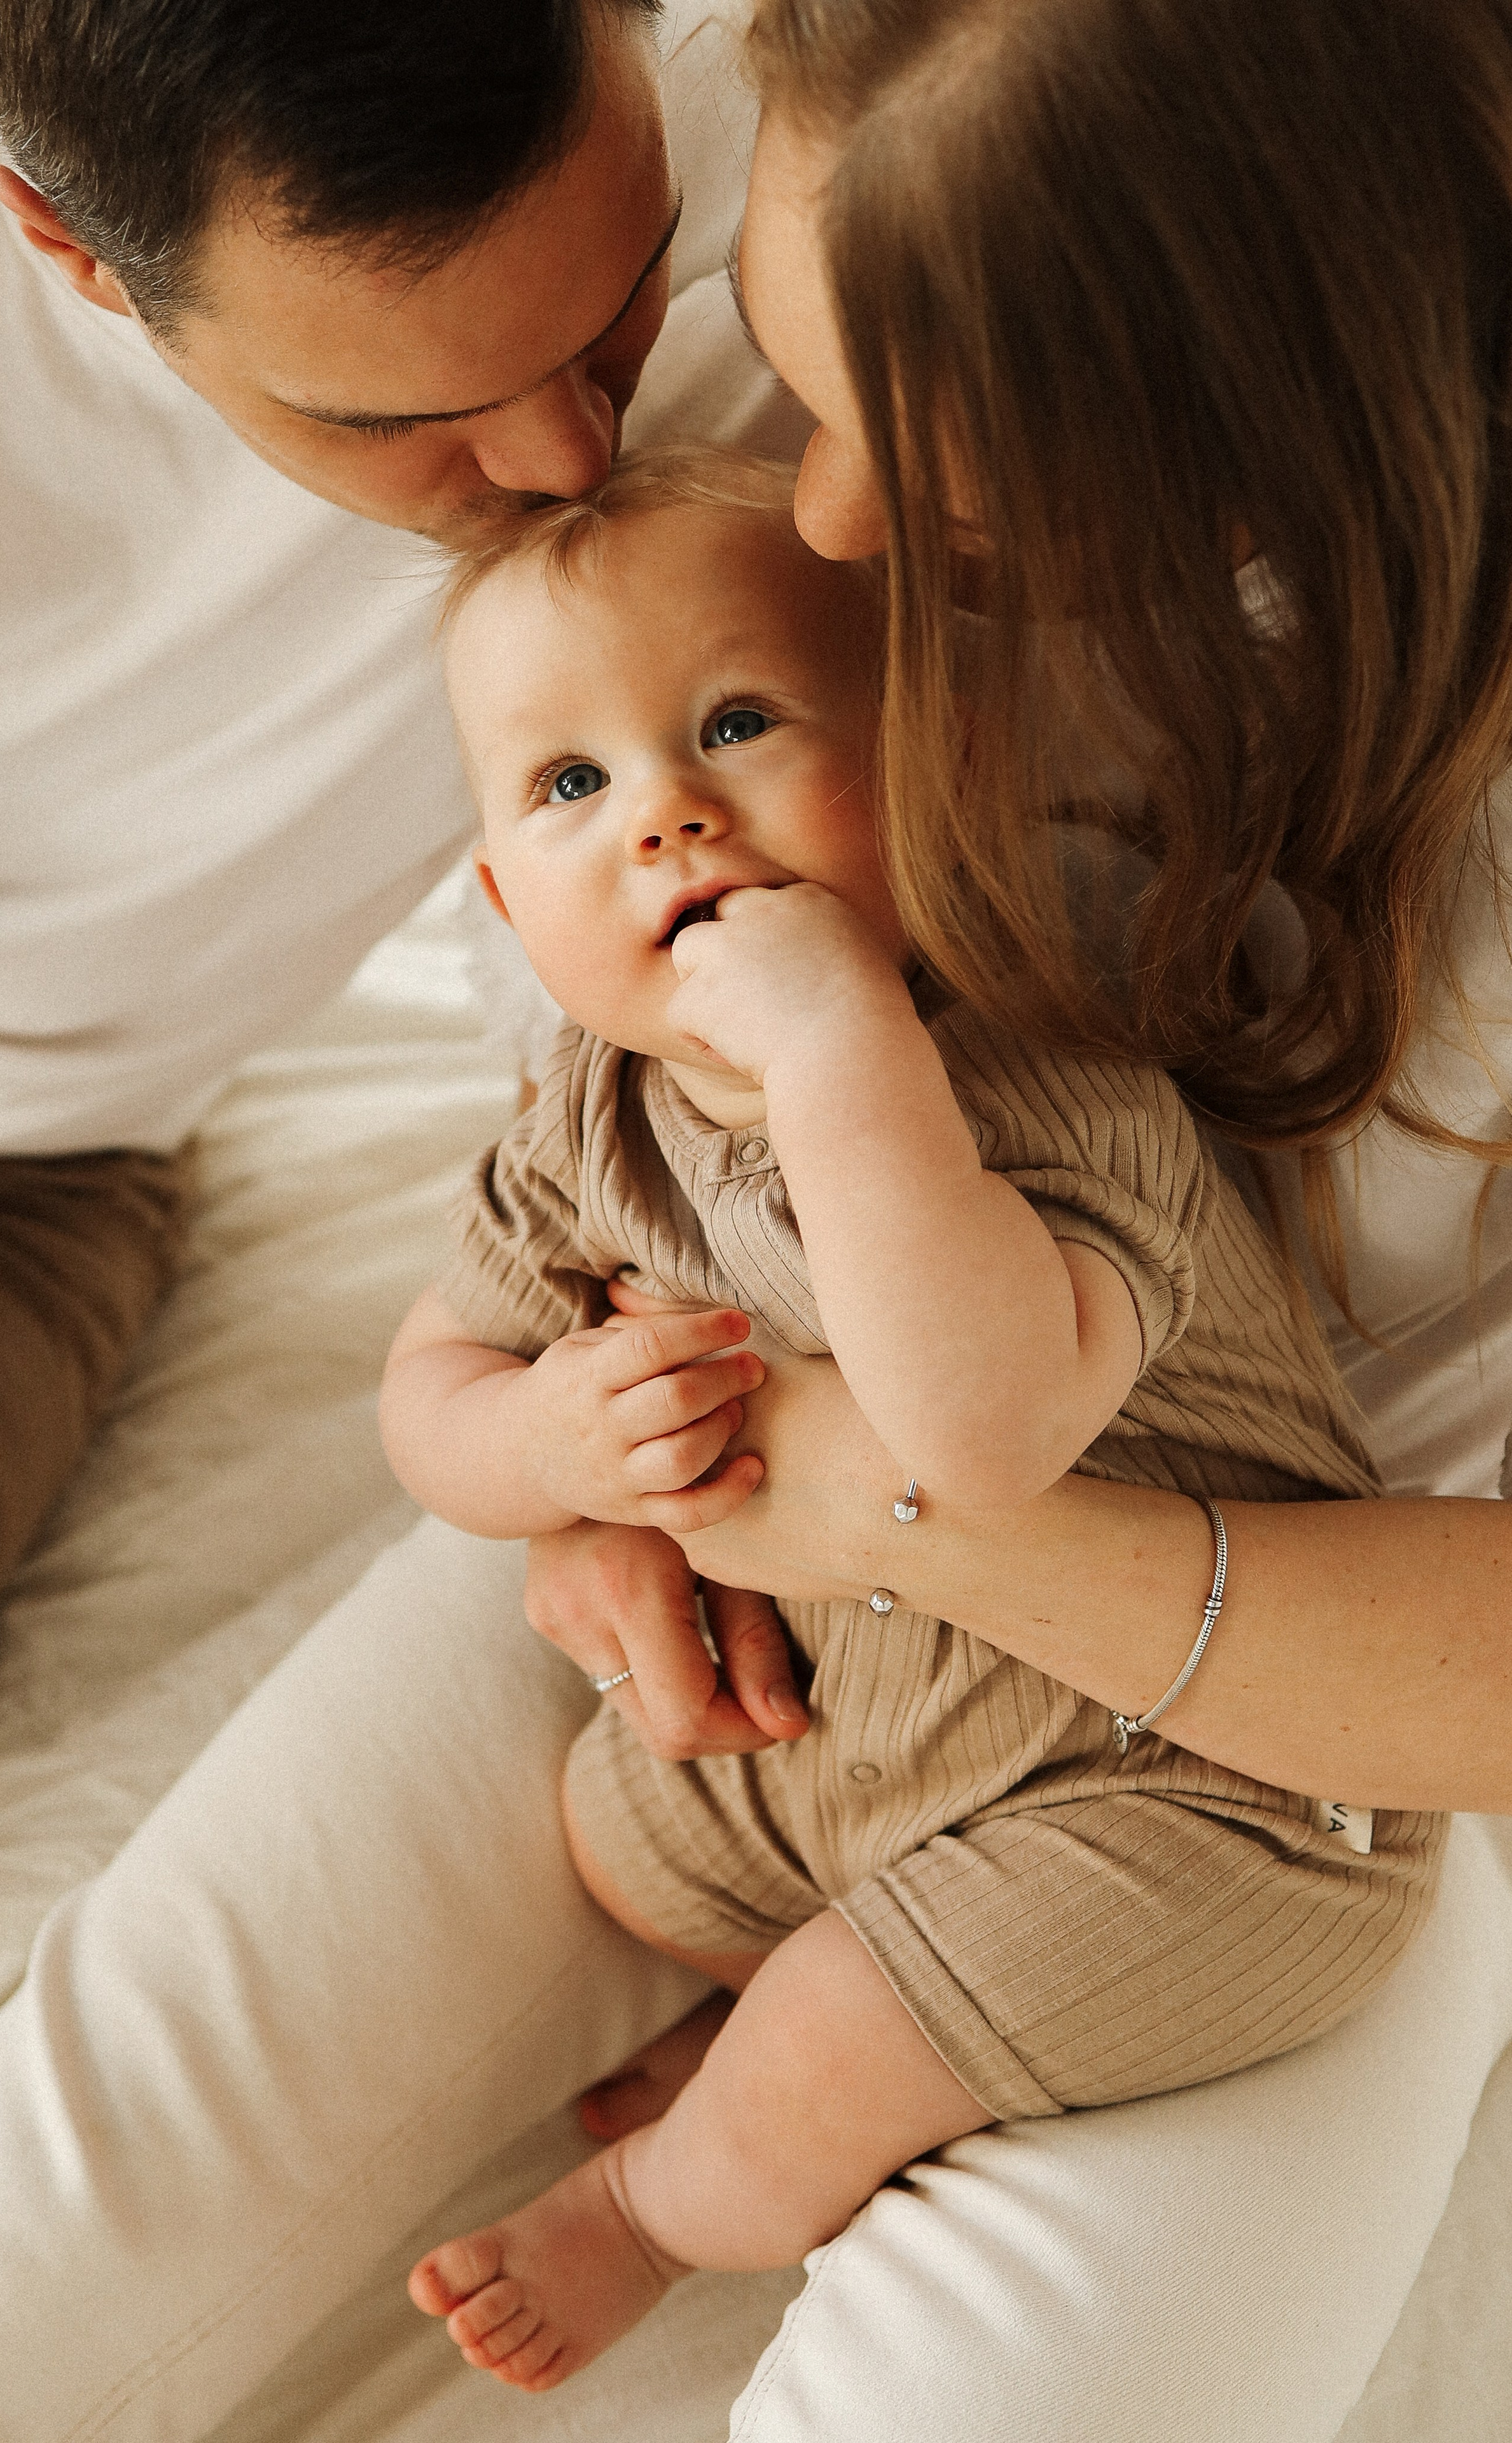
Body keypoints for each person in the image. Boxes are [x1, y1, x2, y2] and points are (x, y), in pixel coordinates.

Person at [0, 3, 1508, 2440]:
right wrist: (569, 1479)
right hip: (733, 1530)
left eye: (899, 450)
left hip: (1291, 1759)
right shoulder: (811, 392)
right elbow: (572, 1031)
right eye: (783, 359)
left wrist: (883, 1503)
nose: (805, 513)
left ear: (1235, 406)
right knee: (6, 2277)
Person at [382, 445, 1436, 2391]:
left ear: (933, 767)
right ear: (501, 895)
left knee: (837, 2032)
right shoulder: (588, 1122)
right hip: (864, 1742)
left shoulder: (1032, 1067)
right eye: (569, 785)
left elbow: (982, 1439)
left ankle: (663, 2205)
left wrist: (837, 1037)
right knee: (622, 1843)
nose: (668, 818)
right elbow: (429, 1384)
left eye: (739, 725)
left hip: (1194, 1786)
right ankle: (830, 2022)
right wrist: (543, 1454)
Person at [0, 0, 788, 1749]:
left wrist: (615, 1385)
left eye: (621, 310)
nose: (571, 465)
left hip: (3, 1165)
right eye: (412, 415)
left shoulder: (801, 141)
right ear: (65, 247)